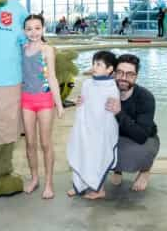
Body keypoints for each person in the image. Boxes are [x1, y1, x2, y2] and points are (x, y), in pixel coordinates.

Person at [21, 14, 64, 199]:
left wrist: (59, 104)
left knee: (45, 143)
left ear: (43, 29)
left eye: (37, 28)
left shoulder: (47, 50)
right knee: (30, 143)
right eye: (29, 29)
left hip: (45, 101)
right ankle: (34, 178)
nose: (33, 32)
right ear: (24, 31)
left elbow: (52, 77)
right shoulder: (21, 49)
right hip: (26, 101)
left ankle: (48, 183)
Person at [67, 51, 119, 200]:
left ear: (109, 69)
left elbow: (110, 112)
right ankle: (79, 186)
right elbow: (83, 104)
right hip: (86, 127)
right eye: (94, 63)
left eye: (99, 64)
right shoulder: (87, 84)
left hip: (101, 130)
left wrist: (100, 129)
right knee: (82, 152)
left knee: (98, 157)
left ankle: (99, 189)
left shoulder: (111, 87)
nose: (94, 67)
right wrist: (79, 105)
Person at [105, 54, 159, 192]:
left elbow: (141, 136)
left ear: (136, 77)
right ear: (114, 73)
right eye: (120, 73)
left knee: (139, 152)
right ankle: (118, 170)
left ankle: (145, 170)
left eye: (130, 74)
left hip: (144, 139)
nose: (123, 78)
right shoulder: (106, 92)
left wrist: (118, 113)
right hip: (117, 136)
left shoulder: (145, 98)